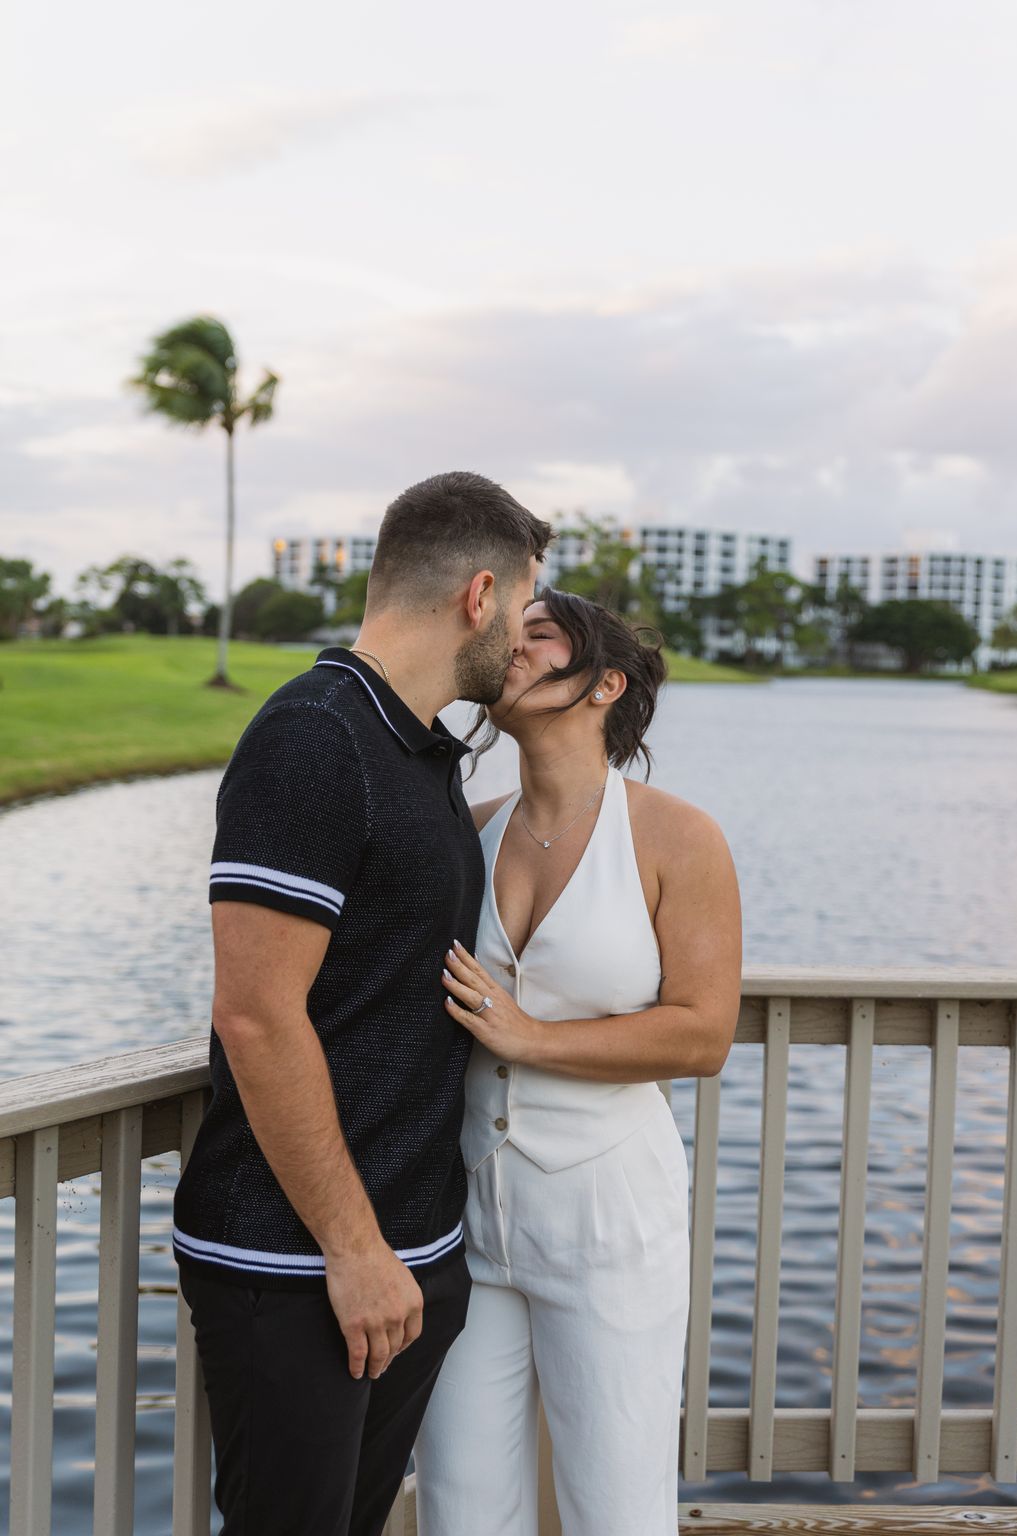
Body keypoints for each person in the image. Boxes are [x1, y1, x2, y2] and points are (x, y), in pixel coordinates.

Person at [173, 470, 552, 1536]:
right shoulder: (316, 738)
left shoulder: (418, 749)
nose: (524, 637)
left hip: (408, 1258)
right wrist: (353, 1247)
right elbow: (255, 1012)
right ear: (479, 594)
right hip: (300, 1266)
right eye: (525, 607)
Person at [414, 587, 742, 1536]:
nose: (507, 647)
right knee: (461, 1510)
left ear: (605, 682)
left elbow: (702, 1033)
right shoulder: (465, 828)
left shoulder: (680, 838)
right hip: (468, 1218)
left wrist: (534, 1039)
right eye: (505, 632)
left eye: (539, 636)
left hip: (611, 1225)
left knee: (616, 1509)